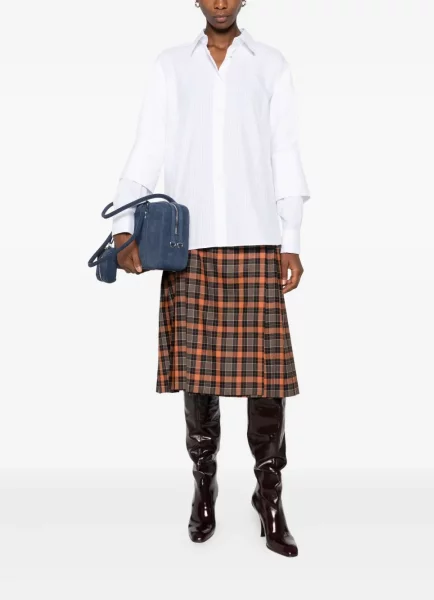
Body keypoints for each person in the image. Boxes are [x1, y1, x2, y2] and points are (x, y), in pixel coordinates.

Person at [110, 0, 310, 558]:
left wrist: (292, 238)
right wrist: (123, 226)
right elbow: (148, 146)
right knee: (198, 378)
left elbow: (285, 151)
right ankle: (205, 485)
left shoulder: (271, 65)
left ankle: (269, 496)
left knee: (267, 380)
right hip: (190, 245)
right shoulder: (170, 65)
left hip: (256, 240)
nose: (220, 1)